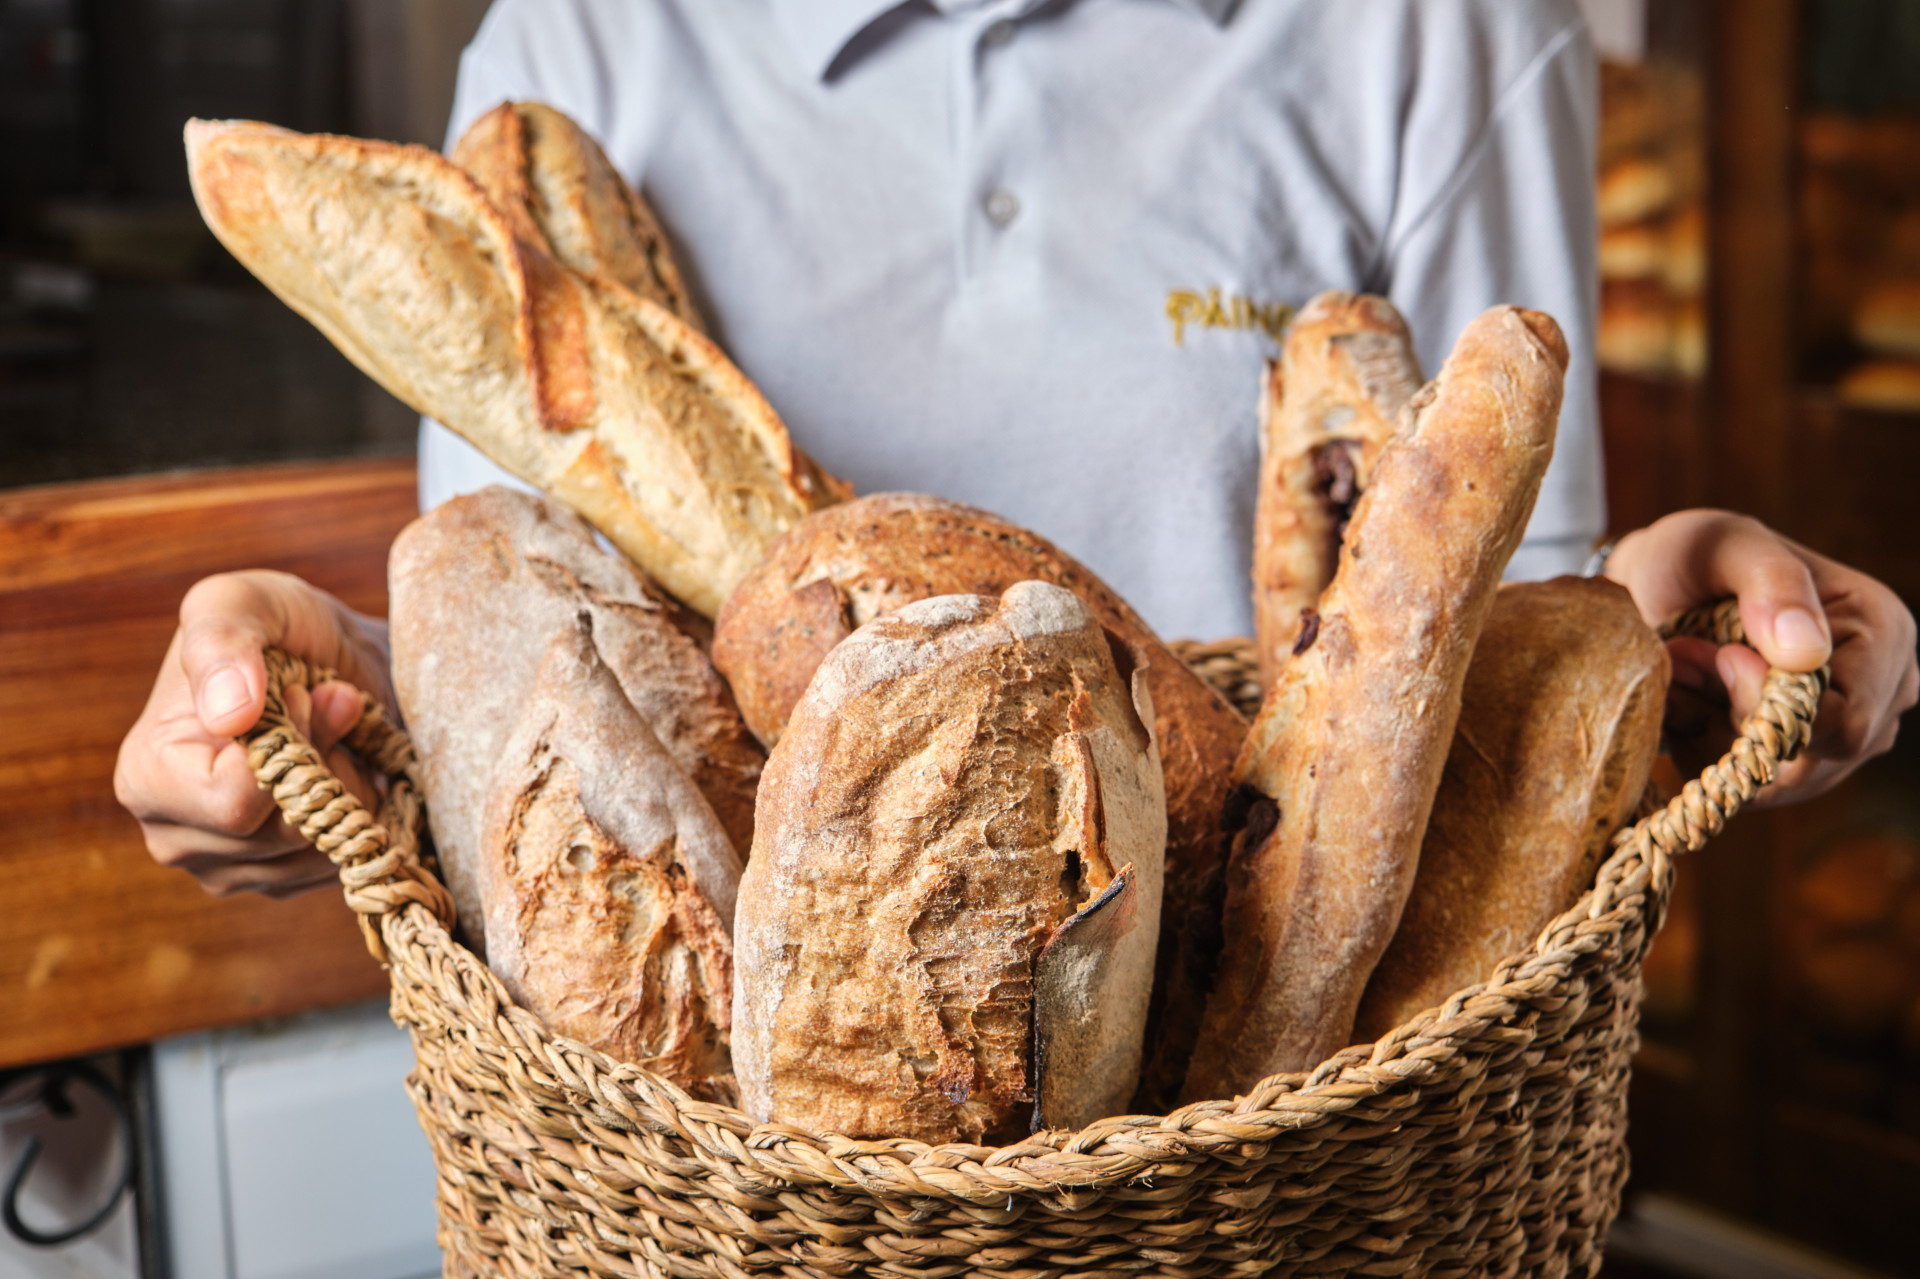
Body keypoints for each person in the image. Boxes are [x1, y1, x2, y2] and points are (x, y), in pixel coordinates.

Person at [115, 0, 1916, 896]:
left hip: (1307, 1165)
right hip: (768, 1172)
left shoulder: (1432, 30)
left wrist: (1662, 633)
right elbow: (543, 706)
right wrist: (316, 718)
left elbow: (1500, 714)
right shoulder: (582, 40)